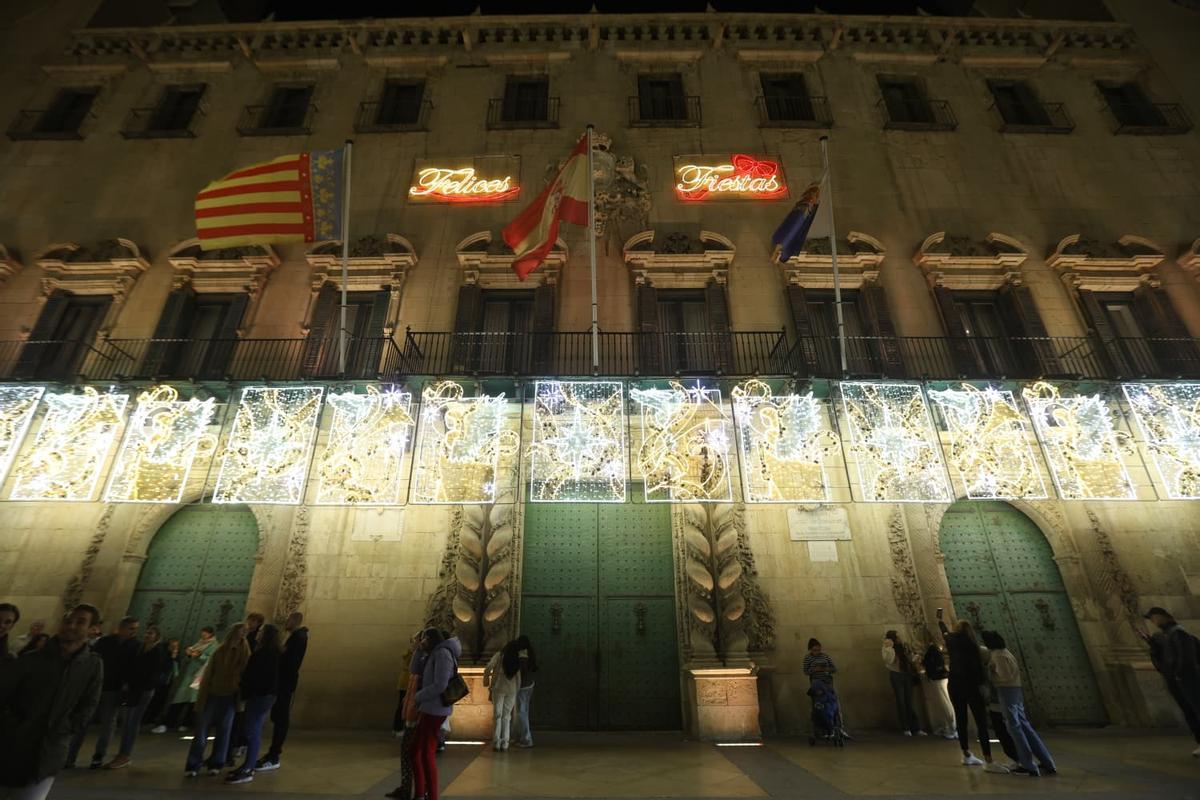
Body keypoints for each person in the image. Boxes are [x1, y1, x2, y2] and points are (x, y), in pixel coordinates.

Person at [0, 604, 103, 800]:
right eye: (68, 620)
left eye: (80, 622)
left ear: (93, 629)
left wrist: (66, 728)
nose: (71, 625)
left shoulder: (93, 665)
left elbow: (89, 703)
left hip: (49, 752)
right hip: (10, 745)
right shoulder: (31, 660)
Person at [938, 609, 1008, 773]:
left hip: (954, 685)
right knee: (981, 722)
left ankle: (966, 754)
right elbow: (979, 668)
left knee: (960, 719)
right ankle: (988, 760)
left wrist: (940, 620)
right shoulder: (973, 646)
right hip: (970, 685)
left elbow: (944, 631)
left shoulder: (951, 641)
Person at [67, 615, 140, 769]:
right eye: (131, 628)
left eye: (136, 629)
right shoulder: (106, 642)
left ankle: (98, 756)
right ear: (122, 628)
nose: (134, 632)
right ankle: (70, 756)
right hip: (96, 686)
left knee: (108, 723)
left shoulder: (136, 646)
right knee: (83, 721)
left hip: (114, 689)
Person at [981, 630, 1056, 776]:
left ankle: (1028, 764)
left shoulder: (997, 656)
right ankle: (1047, 762)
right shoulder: (1006, 652)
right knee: (1025, 726)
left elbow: (1004, 677)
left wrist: (990, 672)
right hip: (1016, 691)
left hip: (1006, 692)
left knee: (1014, 728)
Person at [184, 624, 250, 778]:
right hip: (213, 693)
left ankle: (216, 763)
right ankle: (194, 764)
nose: (242, 635)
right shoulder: (220, 650)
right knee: (201, 731)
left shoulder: (245, 652)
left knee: (224, 731)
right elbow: (208, 675)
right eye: (241, 632)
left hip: (230, 695)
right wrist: (202, 696)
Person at [103, 624, 172, 769]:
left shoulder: (158, 651)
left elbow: (154, 672)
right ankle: (123, 753)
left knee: (132, 722)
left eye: (151, 633)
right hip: (133, 689)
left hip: (143, 691)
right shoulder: (140, 648)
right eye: (147, 632)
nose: (148, 635)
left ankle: (125, 754)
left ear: (157, 636)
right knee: (128, 721)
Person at [1143, 607, 1200, 758]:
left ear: (1163, 617)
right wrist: (1154, 646)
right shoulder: (1166, 635)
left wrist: (1179, 674)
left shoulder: (1178, 632)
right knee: (1190, 711)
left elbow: (1186, 658)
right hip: (1176, 679)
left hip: (1186, 679)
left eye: (1154, 618)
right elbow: (1165, 658)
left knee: (1196, 708)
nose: (1153, 622)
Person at [411, 628, 461, 800]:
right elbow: (414, 669)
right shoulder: (433, 653)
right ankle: (420, 793)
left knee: (425, 753)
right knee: (415, 751)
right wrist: (418, 649)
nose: (423, 640)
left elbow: (441, 684)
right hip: (429, 708)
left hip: (435, 709)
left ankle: (430, 795)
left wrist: (418, 697)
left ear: (432, 639)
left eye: (424, 638)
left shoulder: (443, 654)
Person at [227, 624, 280, 784]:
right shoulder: (274, 653)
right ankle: (247, 765)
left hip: (259, 696)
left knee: (252, 731)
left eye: (261, 631)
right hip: (265, 695)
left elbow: (256, 676)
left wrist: (246, 690)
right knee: (252, 730)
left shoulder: (264, 654)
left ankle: (248, 768)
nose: (257, 633)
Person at [258, 612, 308, 771]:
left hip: (284, 683)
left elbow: (290, 662)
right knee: (279, 716)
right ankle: (272, 754)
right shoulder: (296, 637)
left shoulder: (298, 638)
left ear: (294, 621)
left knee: (281, 717)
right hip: (283, 683)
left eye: (288, 620)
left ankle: (274, 755)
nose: (286, 622)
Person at [386, 632, 428, 800]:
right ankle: (413, 789)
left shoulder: (428, 658)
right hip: (413, 706)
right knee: (412, 752)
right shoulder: (421, 656)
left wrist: (416, 699)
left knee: (413, 752)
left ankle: (418, 791)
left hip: (418, 709)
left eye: (420, 639)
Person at [163, 626, 216, 731]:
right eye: (202, 633)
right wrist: (189, 654)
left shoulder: (214, 646)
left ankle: (187, 723)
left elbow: (211, 660)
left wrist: (199, 655)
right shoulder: (199, 643)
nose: (203, 635)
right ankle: (169, 722)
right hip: (189, 674)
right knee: (180, 697)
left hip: (200, 675)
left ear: (210, 634)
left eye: (205, 633)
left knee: (194, 700)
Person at [882, 630, 923, 736]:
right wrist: (889, 648)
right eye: (897, 637)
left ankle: (916, 727)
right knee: (901, 702)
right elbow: (889, 661)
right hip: (896, 675)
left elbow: (911, 659)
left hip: (907, 674)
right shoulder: (887, 648)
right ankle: (905, 727)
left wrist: (916, 656)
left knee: (909, 702)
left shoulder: (904, 647)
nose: (899, 638)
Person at [483, 640, 521, 752]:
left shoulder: (499, 655)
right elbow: (518, 676)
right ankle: (505, 743)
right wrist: (517, 689)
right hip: (512, 688)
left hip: (499, 687)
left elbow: (488, 667)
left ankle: (496, 742)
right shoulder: (516, 657)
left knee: (497, 715)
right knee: (506, 716)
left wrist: (486, 683)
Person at [921, 635, 957, 740]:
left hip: (938, 679)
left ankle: (951, 728)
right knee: (943, 703)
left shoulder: (933, 650)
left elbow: (932, 663)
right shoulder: (935, 650)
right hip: (940, 678)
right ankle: (948, 727)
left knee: (945, 703)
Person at [146, 638, 181, 731]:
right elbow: (162, 666)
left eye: (176, 646)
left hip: (168, 682)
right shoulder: (162, 654)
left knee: (161, 701)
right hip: (158, 681)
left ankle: (154, 718)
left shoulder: (176, 657)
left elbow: (176, 671)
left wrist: (175, 658)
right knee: (154, 700)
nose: (174, 648)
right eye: (173, 646)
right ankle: (147, 719)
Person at [513, 635, 537, 749]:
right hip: (530, 685)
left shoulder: (521, 657)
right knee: (524, 711)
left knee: (521, 713)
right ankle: (521, 737)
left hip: (522, 687)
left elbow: (519, 674)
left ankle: (527, 739)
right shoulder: (530, 654)